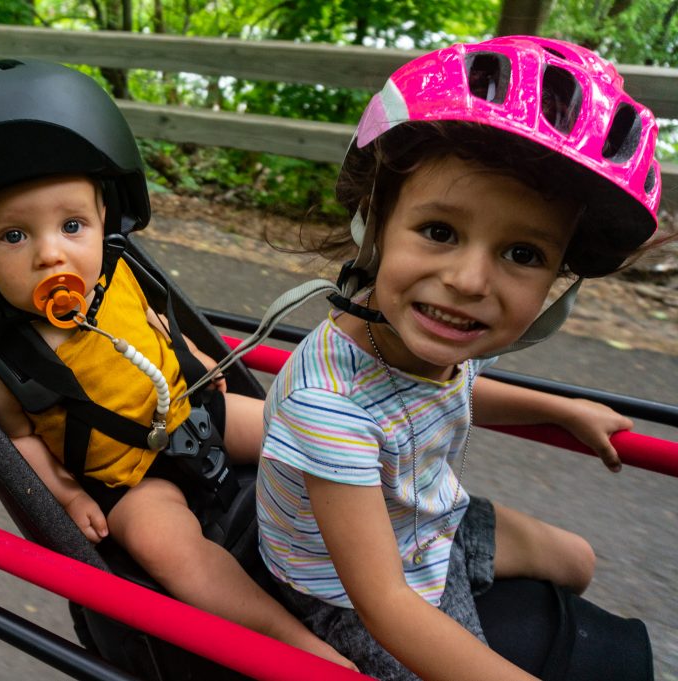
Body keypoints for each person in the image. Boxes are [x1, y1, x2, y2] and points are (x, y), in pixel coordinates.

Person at [0, 58, 356, 670]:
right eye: (13, 237)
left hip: (200, 409)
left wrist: (203, 369)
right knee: (175, 559)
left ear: (104, 222)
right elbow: (19, 438)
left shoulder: (121, 277)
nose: (50, 252)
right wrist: (63, 494)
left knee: (312, 429)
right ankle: (302, 652)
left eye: (72, 225)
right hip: (131, 480)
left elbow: (166, 337)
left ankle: (395, 534)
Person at [256, 36, 665, 681]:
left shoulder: (424, 344)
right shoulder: (328, 407)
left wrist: (561, 410)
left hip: (427, 524)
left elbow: (454, 391)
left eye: (523, 254)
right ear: (376, 226)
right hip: (346, 591)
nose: (471, 280)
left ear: (561, 274)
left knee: (578, 560)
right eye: (440, 232)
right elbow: (388, 607)